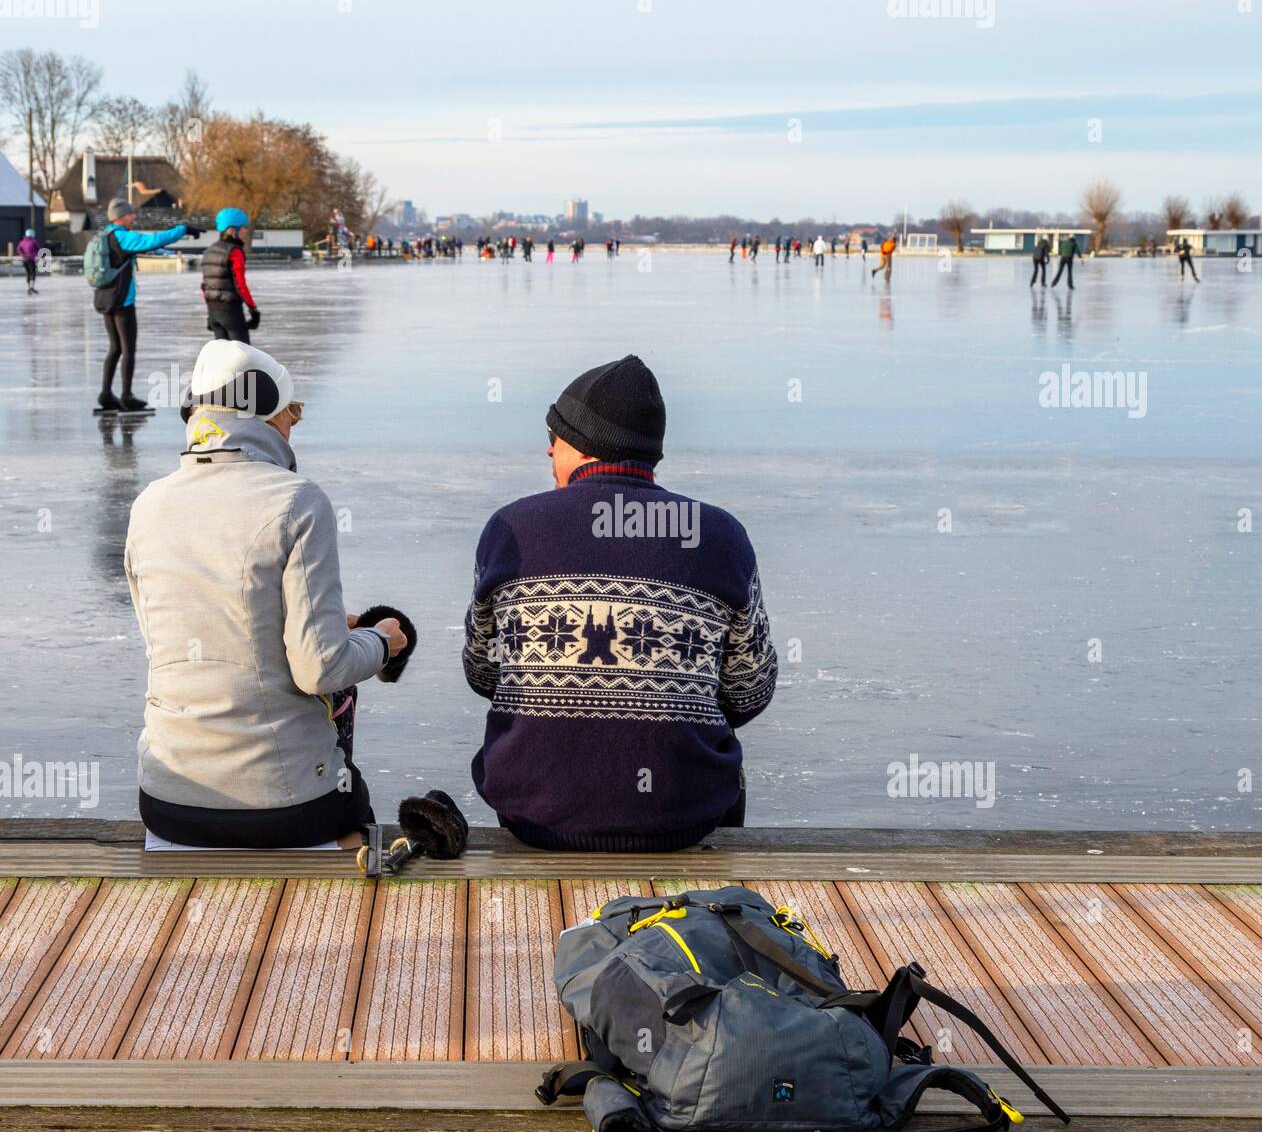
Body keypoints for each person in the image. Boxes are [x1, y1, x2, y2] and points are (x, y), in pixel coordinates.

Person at [462, 355, 777, 852]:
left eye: (556, 438)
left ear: (583, 445)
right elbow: (749, 692)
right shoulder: (718, 535)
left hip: (536, 811)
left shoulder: (512, 528)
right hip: (681, 815)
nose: (548, 452)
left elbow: (483, 674)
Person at [124, 339, 408, 847]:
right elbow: (320, 669)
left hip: (166, 802)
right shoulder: (296, 500)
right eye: (292, 411)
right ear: (260, 413)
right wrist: (382, 640)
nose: (294, 425)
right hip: (282, 804)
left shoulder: (148, 504)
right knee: (345, 760)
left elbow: (189, 636)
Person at [94, 198, 200, 413]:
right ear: (120, 216)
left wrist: (165, 251)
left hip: (106, 299)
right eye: (130, 214)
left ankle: (106, 393)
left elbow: (146, 248)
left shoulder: (104, 236)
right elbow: (151, 241)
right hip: (122, 301)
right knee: (128, 349)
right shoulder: (121, 236)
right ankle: (126, 395)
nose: (134, 218)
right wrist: (182, 229)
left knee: (115, 348)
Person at [201, 207, 260, 341]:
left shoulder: (209, 250)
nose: (246, 231)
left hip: (213, 311)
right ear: (233, 230)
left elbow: (205, 285)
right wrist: (253, 310)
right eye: (243, 228)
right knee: (242, 356)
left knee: (223, 356)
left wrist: (210, 314)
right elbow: (240, 284)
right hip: (230, 311)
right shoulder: (234, 251)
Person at [17, 228, 39, 295]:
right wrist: (35, 255)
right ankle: (31, 287)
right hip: (31, 259)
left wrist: (23, 256)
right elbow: (38, 249)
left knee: (28, 273)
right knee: (33, 273)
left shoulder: (22, 241)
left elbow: (18, 249)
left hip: (24, 260)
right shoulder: (33, 241)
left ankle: (29, 287)